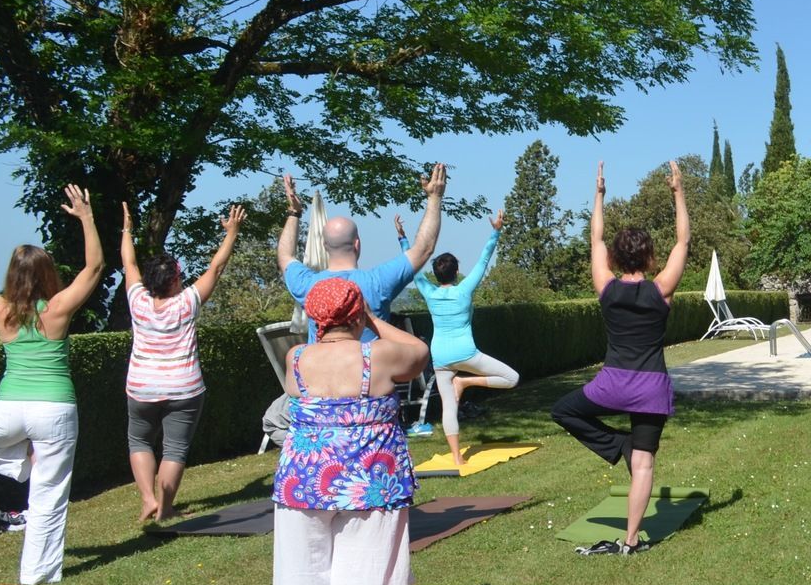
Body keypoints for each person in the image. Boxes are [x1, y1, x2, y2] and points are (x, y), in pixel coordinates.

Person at [272, 278, 428, 585]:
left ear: (313, 317)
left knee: (303, 570)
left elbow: (296, 393)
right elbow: (420, 353)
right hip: (370, 480)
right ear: (357, 314)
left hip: (303, 479)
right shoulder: (378, 356)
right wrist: (376, 320)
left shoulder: (297, 357)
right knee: (367, 569)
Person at [551, 159, 688, 555]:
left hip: (610, 386)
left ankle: (617, 446)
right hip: (650, 390)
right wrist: (677, 192)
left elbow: (595, 241)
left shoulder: (605, 288)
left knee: (564, 411)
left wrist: (599, 195)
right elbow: (683, 243)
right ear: (648, 259)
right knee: (643, 465)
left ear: (614, 258)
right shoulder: (661, 289)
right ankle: (630, 541)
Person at [0, 189, 103, 585]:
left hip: (9, 410)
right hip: (54, 411)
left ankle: (17, 465)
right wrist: (85, 216)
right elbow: (96, 266)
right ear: (47, 275)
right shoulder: (59, 309)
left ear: (12, 278)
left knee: (35, 479)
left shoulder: (1, 313)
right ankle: (37, 576)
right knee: (48, 496)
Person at [120, 202, 247, 523]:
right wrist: (231, 233)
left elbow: (128, 262)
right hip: (184, 387)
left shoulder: (137, 300)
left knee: (139, 440)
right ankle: (164, 508)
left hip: (141, 387)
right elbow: (216, 268)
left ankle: (148, 499)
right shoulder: (188, 302)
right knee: (174, 448)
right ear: (175, 280)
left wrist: (127, 230)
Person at [396, 210, 519, 471]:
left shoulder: (428, 292)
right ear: (457, 271)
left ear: (437, 275)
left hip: (440, 356)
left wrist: (403, 239)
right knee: (512, 378)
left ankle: (456, 458)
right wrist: (495, 230)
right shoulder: (464, 290)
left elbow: (413, 269)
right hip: (466, 353)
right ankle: (465, 381)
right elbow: (484, 260)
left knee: (448, 407)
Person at [277, 164, 447, 342]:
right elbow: (424, 249)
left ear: (324, 246)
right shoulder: (377, 282)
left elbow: (284, 256)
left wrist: (294, 213)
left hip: (320, 369)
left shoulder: (308, 286)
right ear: (357, 244)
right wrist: (435, 197)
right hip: (371, 369)